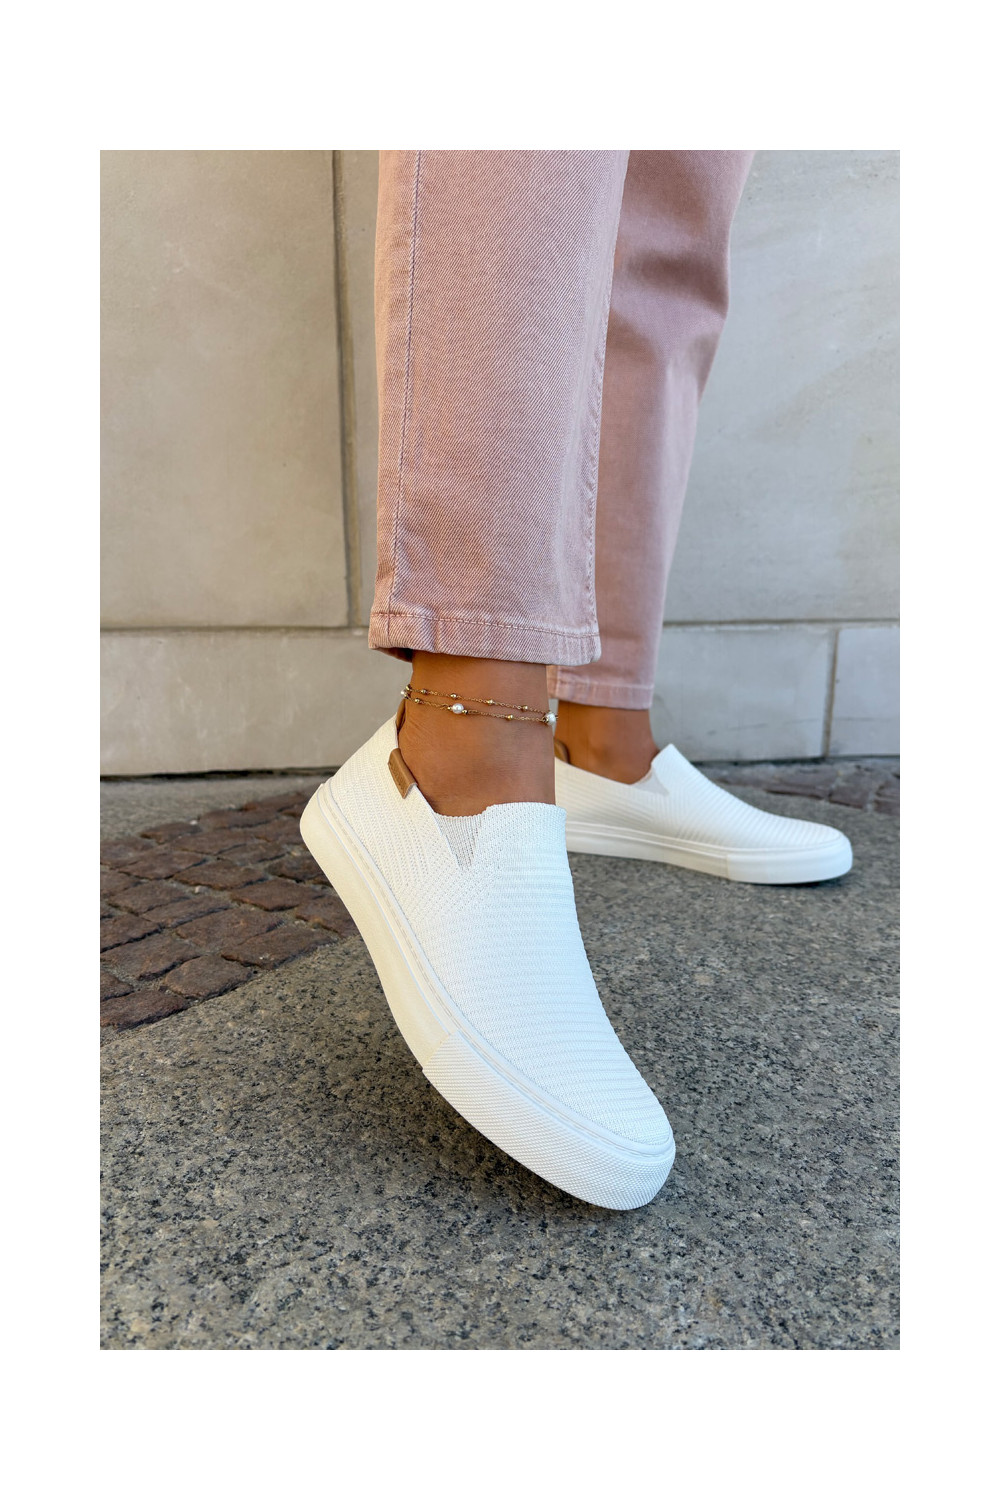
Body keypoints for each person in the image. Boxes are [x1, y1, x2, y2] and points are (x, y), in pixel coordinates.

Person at [300, 151, 852, 1211]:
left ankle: (602, 738)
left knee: (670, 226)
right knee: (534, 138)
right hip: (455, 747)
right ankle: (460, 743)